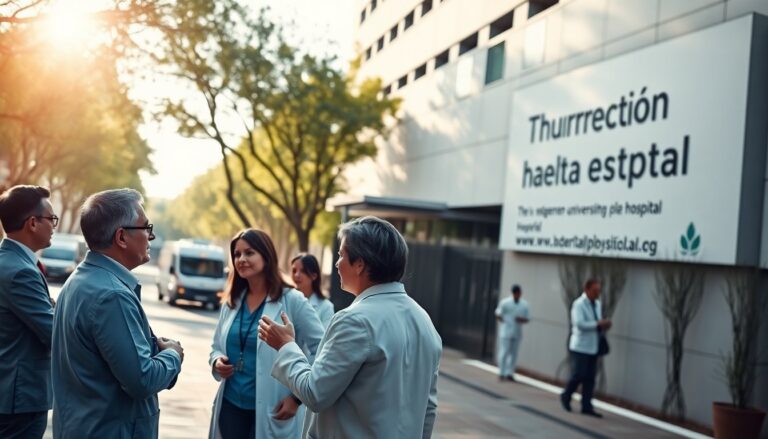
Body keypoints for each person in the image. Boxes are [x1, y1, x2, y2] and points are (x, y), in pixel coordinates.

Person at [258, 216, 443, 438]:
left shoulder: (354, 320)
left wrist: (286, 345)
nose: (337, 263)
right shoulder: (423, 320)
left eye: (340, 255)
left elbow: (315, 392)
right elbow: (428, 408)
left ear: (359, 264)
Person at [51, 188, 184, 438]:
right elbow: (141, 380)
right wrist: (173, 355)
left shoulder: (81, 279)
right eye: (145, 228)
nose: (151, 236)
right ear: (121, 237)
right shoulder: (111, 295)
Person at [208, 229, 324, 439]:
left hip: (275, 409)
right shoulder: (232, 301)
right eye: (237, 254)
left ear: (266, 256)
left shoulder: (292, 300)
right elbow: (216, 346)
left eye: (249, 253)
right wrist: (216, 361)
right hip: (231, 409)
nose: (241, 259)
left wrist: (297, 398)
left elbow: (323, 350)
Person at [0, 185, 57, 439]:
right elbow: (53, 332)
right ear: (32, 223)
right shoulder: (20, 271)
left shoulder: (10, 262)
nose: (54, 225)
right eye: (51, 219)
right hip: (18, 400)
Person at [560, 278, 612, 418]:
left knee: (590, 378)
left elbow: (596, 322)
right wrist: (597, 324)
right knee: (579, 374)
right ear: (587, 289)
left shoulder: (597, 304)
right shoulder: (578, 304)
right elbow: (579, 324)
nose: (597, 294)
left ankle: (587, 405)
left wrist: (603, 324)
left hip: (593, 346)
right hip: (580, 346)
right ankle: (566, 395)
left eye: (598, 291)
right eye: (595, 291)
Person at [495, 284, 530, 382]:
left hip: (517, 331)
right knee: (504, 351)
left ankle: (509, 373)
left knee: (514, 353)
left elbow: (527, 318)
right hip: (506, 330)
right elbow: (498, 313)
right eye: (516, 293)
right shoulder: (505, 303)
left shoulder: (524, 304)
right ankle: (501, 372)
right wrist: (503, 320)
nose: (517, 295)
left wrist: (521, 319)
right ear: (513, 293)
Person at [291, 253, 334, 328]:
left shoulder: (326, 307)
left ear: (314, 276)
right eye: (294, 271)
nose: (296, 275)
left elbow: (325, 338)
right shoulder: (286, 300)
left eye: (303, 271)